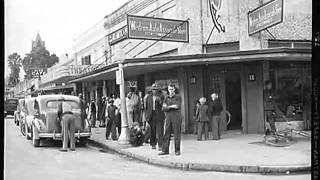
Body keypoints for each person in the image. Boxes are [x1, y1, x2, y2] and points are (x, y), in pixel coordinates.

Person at [159, 84, 182, 156]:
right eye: (169, 89)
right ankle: (165, 150)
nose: (171, 91)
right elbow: (163, 108)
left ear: (174, 89)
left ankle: (177, 150)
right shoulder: (166, 98)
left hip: (176, 116)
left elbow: (177, 106)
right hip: (168, 117)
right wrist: (170, 107)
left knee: (176, 133)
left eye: (172, 89)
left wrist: (168, 107)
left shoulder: (178, 97)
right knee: (167, 133)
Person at [145, 83, 164, 150]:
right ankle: (153, 144)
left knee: (160, 131)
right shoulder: (149, 97)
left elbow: (162, 105)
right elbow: (147, 108)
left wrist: (159, 101)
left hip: (158, 114)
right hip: (151, 115)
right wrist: (146, 119)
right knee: (152, 131)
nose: (154, 91)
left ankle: (160, 145)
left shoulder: (161, 96)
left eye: (155, 90)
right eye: (153, 90)